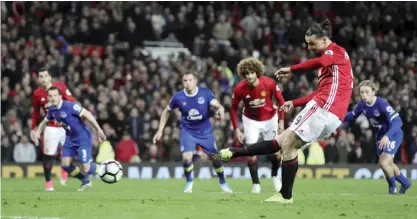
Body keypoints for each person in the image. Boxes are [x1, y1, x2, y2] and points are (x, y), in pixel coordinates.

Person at [220, 19, 353, 203]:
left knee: (288, 144)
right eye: (307, 44)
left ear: (324, 40)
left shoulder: (334, 52)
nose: (309, 48)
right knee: (281, 142)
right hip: (331, 113)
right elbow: (322, 91)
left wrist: (292, 69)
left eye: (312, 43)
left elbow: (320, 63)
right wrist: (295, 102)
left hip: (325, 108)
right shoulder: (334, 64)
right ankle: (236, 152)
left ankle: (285, 196)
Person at [153, 72, 232, 193]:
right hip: (188, 131)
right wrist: (160, 130)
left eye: (190, 80)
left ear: (195, 81)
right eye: (185, 81)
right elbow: (166, 111)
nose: (188, 83)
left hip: (205, 131)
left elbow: (217, 105)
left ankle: (223, 182)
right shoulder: (178, 97)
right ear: (182, 82)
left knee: (215, 158)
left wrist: (221, 110)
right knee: (186, 157)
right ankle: (189, 182)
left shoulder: (205, 93)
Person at [31, 86, 106, 192]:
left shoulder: (69, 106)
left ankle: (103, 168)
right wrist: (38, 132)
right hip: (70, 138)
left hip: (82, 137)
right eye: (50, 96)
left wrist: (98, 129)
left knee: (86, 168)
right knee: (65, 165)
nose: (53, 98)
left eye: (55, 95)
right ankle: (86, 182)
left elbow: (87, 114)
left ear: (60, 96)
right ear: (48, 97)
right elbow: (45, 121)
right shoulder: (52, 110)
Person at [344, 80, 412, 194]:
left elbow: (398, 122)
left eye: (367, 92)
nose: (364, 95)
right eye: (362, 92)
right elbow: (352, 115)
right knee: (388, 163)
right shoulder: (362, 104)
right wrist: (336, 116)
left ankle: (392, 188)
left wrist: (387, 136)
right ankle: (405, 182)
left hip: (392, 134)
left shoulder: (381, 104)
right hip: (380, 136)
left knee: (383, 163)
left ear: (373, 92)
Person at [230, 57, 285, 193]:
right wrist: (236, 128)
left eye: (252, 73)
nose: (249, 76)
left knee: (276, 153)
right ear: (244, 74)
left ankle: (275, 176)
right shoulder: (239, 89)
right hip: (251, 121)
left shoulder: (269, 83)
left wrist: (281, 121)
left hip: (271, 119)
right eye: (247, 73)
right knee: (250, 152)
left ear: (257, 72)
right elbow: (232, 108)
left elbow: (281, 101)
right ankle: (256, 184)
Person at [31, 69, 75, 191]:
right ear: (38, 79)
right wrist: (33, 129)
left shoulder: (60, 86)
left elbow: (72, 102)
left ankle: (64, 169)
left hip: (65, 125)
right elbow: (35, 113)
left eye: (45, 76)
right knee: (48, 156)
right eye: (41, 76)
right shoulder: (37, 94)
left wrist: (56, 102)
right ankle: (48, 183)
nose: (44, 78)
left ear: (50, 77)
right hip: (50, 127)